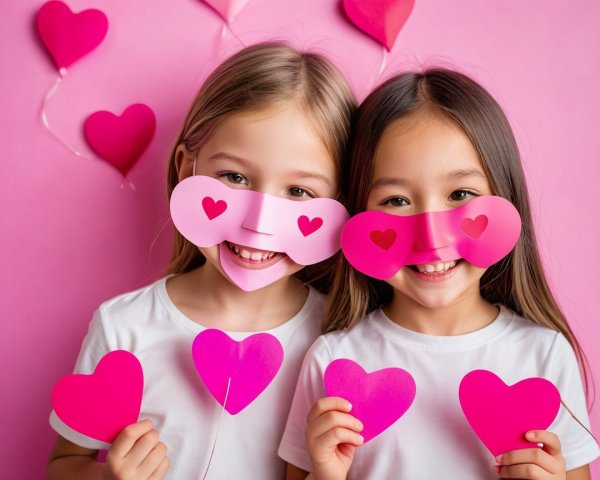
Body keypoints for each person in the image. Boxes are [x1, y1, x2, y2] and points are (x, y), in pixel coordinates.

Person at [46, 41, 356, 479]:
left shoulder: (339, 340)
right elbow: (63, 464)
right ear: (185, 167)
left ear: (340, 204)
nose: (257, 225)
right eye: (234, 177)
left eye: (299, 191)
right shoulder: (125, 326)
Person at [279, 69, 599, 479]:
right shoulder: (333, 361)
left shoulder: (544, 355)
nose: (431, 237)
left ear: (506, 194)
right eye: (396, 200)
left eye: (460, 195)